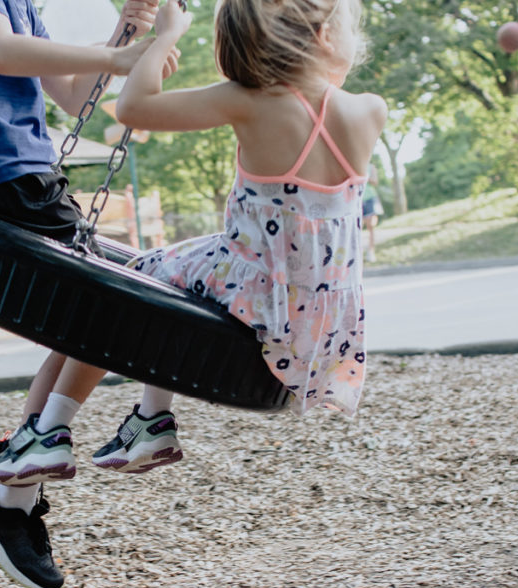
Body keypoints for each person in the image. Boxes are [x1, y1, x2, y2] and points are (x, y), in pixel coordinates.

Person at [0, 0, 181, 588]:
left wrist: (131, 32)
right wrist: (118, 54)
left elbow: (71, 98)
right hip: (1, 178)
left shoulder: (24, 6)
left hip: (24, 177)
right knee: (116, 308)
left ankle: (15, 495)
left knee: (88, 326)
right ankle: (17, 493)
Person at [111, 0, 386, 419]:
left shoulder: (249, 102)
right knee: (175, 267)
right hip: (324, 322)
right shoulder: (370, 109)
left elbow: (132, 108)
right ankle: (148, 421)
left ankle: (134, 420)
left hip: (257, 294)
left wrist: (166, 35)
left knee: (140, 273)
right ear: (324, 37)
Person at [361, 163, 383, 262]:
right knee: (358, 227)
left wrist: (364, 177)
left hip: (369, 198)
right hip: (356, 198)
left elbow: (374, 182)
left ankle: (371, 251)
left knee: (371, 226)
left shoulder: (371, 166)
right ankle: (358, 251)